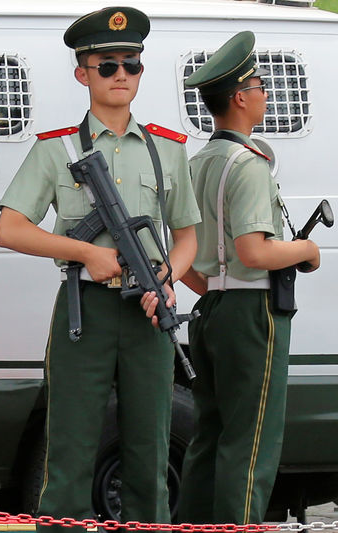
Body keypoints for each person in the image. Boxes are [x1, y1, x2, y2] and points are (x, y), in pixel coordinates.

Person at [0, 6, 200, 527]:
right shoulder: (58, 148)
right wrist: (84, 251)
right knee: (69, 446)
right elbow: (10, 228)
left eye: (131, 65)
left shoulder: (166, 150)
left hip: (149, 313)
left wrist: (167, 279)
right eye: (106, 65)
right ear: (81, 72)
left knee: (149, 449)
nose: (120, 76)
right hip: (83, 311)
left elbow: (188, 237)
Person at [177, 31, 321, 525]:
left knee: (209, 436)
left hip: (210, 309)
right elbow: (254, 251)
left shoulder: (198, 163)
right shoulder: (250, 165)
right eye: (260, 85)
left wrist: (215, 288)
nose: (265, 93)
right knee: (252, 441)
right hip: (253, 314)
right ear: (240, 97)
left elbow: (188, 255)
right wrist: (306, 250)